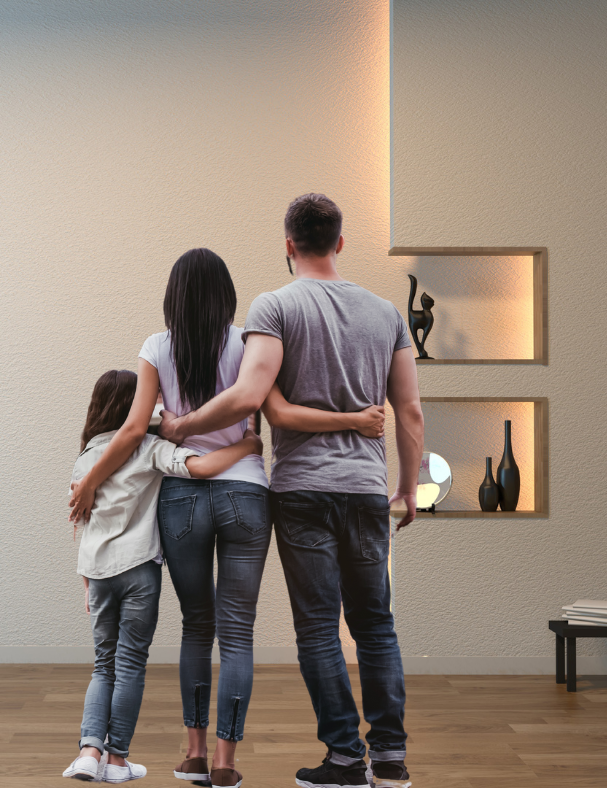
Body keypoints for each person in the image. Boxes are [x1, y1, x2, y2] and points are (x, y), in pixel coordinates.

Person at [69, 249, 387, 788]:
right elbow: (276, 410)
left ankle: (191, 756)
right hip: (245, 494)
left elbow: (129, 432)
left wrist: (92, 480)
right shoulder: (249, 342)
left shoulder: (156, 347)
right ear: (227, 295)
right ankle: (224, 763)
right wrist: (344, 422)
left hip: (183, 499)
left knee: (197, 626)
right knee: (237, 633)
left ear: (172, 295)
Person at [159, 195, 425, 788]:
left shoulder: (275, 307)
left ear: (288, 245)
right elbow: (408, 410)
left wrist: (182, 426)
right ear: (340, 242)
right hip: (364, 490)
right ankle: (390, 757)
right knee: (375, 624)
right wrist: (408, 488)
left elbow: (252, 397)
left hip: (302, 489)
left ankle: (343, 760)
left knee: (317, 628)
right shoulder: (386, 314)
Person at [64, 368, 264, 783]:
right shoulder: (149, 448)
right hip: (138, 572)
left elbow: (83, 525)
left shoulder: (85, 460)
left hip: (97, 575)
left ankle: (87, 752)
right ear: (135, 409)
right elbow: (204, 466)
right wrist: (248, 444)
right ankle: (117, 760)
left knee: (103, 665)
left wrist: (87, 584)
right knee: (131, 663)